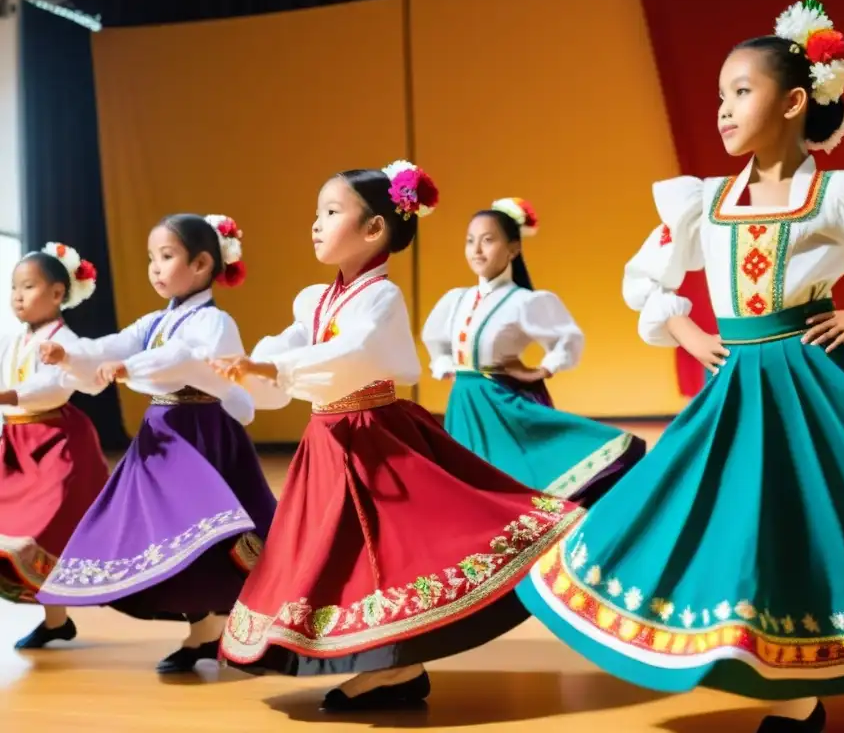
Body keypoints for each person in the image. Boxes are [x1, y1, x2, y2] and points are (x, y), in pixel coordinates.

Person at [516, 0, 844, 733]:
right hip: (738, 388)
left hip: (816, 385)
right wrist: (688, 333)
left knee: (841, 515)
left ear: (792, 102)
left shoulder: (836, 194)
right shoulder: (705, 202)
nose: (723, 110)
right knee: (726, 521)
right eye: (720, 96)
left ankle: (807, 686)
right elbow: (643, 279)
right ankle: (778, 675)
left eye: (741, 93)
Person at [215, 162, 583, 712]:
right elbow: (291, 341)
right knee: (341, 554)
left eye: (331, 212)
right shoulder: (315, 299)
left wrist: (276, 372)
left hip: (373, 437)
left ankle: (398, 666)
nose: (316, 224)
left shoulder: (380, 297)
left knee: (389, 551)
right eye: (316, 213)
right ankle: (390, 664)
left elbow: (356, 352)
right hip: (329, 440)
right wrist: (257, 366)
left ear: (375, 230)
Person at [35, 214, 277, 675]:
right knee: (168, 533)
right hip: (163, 433)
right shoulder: (156, 321)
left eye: (166, 257)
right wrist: (72, 354)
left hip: (201, 433)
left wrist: (132, 368)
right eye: (151, 258)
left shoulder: (213, 321)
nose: (155, 268)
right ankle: (204, 630)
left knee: (212, 532)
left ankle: (250, 625)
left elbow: (184, 361)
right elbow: (114, 345)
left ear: (203, 263)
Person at [423, 197, 645, 505]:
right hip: (463, 401)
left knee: (508, 476)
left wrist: (544, 368)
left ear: (513, 248)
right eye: (470, 241)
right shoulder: (456, 299)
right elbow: (435, 339)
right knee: (466, 484)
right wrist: (446, 364)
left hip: (498, 401)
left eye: (488, 241)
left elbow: (567, 338)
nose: (476, 250)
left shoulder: (523, 302)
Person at [0, 243, 108, 649]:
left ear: (58, 293)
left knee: (39, 530)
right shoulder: (13, 341)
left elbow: (54, 386)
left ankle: (57, 616)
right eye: (14, 287)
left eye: (28, 286)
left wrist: (9, 397)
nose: (17, 296)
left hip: (52, 445)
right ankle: (56, 620)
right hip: (16, 444)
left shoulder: (67, 342)